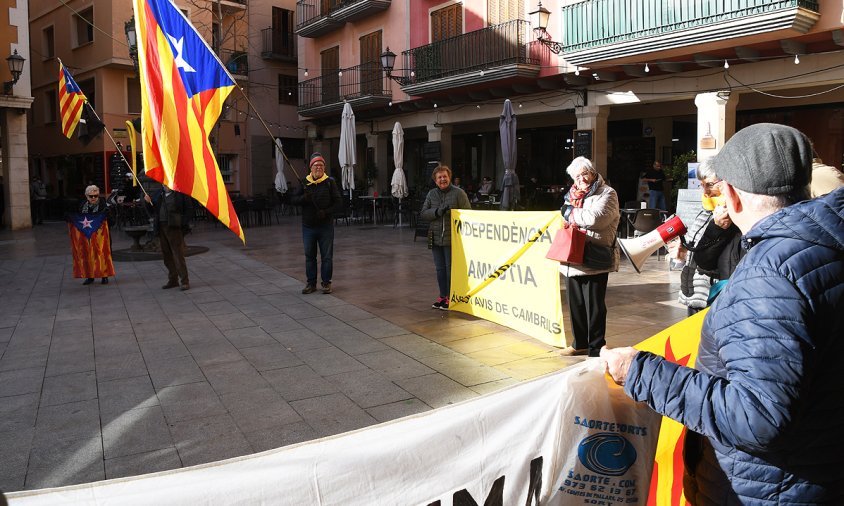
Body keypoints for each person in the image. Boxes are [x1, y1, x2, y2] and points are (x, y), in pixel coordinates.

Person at [602, 123, 844, 505]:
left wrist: (640, 371)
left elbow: (757, 417)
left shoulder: (770, 274)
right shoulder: (826, 242)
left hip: (768, 489)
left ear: (731, 193)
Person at [557, 157, 620, 357]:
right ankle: (579, 343)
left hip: (595, 256)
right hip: (573, 255)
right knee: (575, 304)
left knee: (594, 306)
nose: (581, 179)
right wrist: (569, 213)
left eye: (585, 174)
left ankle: (595, 346)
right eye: (577, 176)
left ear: (593, 173)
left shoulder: (608, 193)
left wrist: (570, 213)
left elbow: (596, 219)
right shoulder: (572, 194)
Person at [666, 159, 743, 315]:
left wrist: (717, 228)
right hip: (696, 294)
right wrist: (685, 254)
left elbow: (714, 259)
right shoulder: (705, 212)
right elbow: (702, 250)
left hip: (714, 295)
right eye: (702, 185)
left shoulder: (735, 217)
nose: (705, 192)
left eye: (710, 185)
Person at [420, 165, 471, 310]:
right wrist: (437, 212)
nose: (443, 179)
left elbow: (468, 214)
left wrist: (454, 213)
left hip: (452, 239)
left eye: (445, 176)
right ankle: (442, 296)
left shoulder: (459, 193)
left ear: (449, 178)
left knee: (450, 269)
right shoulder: (431, 194)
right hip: (435, 237)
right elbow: (424, 213)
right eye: (439, 177)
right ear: (435, 181)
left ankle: (451, 296)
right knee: (440, 269)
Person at [290, 152, 343, 295]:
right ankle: (311, 284)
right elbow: (292, 200)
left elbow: (338, 203)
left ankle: (326, 283)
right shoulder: (304, 183)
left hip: (325, 227)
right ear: (310, 167)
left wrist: (326, 212)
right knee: (309, 256)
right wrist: (303, 198)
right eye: (315, 165)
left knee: (326, 256)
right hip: (308, 227)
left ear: (324, 168)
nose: (318, 167)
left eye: (321, 165)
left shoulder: (329, 182)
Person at [144, 184, 193, 291]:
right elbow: (153, 211)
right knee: (167, 255)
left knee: (178, 255)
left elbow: (189, 210)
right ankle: (173, 280)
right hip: (161, 227)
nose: (165, 185)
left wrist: (181, 223)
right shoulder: (159, 194)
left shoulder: (180, 194)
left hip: (174, 228)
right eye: (164, 183)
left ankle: (184, 281)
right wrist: (148, 202)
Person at [74, 185, 115, 285]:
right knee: (88, 255)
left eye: (95, 196)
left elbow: (113, 222)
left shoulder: (104, 205)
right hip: (87, 236)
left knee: (102, 255)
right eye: (91, 196)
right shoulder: (82, 206)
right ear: (86, 196)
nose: (93, 198)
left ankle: (104, 276)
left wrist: (108, 215)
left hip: (101, 237)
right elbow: (78, 219)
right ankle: (90, 276)